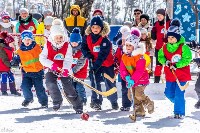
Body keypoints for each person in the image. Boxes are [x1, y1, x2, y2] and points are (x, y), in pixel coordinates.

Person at [39, 19, 83, 113]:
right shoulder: (48, 44)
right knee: (49, 82)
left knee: (68, 87)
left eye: (61, 37)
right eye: (57, 37)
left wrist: (66, 69)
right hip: (52, 68)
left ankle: (78, 105)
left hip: (64, 69)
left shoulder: (67, 45)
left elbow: (68, 59)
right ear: (52, 37)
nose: (59, 39)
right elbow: (42, 58)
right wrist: (51, 65)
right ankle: (57, 101)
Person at [81, 16, 118, 110]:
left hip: (106, 64)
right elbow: (83, 47)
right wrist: (87, 55)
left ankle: (113, 101)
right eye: (93, 27)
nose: (95, 29)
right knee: (95, 82)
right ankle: (96, 101)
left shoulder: (105, 40)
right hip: (94, 63)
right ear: (90, 28)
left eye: (97, 27)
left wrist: (95, 65)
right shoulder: (87, 37)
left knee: (110, 82)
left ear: (101, 28)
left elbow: (102, 55)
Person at [158, 19, 192, 119]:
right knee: (168, 93)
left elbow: (187, 59)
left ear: (177, 37)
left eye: (173, 37)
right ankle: (179, 103)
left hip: (181, 75)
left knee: (179, 94)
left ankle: (179, 112)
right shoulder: (164, 47)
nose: (171, 39)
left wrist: (177, 65)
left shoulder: (184, 47)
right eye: (169, 37)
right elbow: (160, 57)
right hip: (170, 75)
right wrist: (166, 62)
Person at [120, 28, 154, 119]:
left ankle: (148, 103)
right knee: (131, 96)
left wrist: (132, 79)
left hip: (141, 78)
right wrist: (126, 77)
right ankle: (139, 111)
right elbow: (122, 69)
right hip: (131, 79)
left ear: (134, 46)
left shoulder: (140, 57)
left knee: (138, 94)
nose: (127, 47)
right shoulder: (124, 56)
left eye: (130, 45)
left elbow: (140, 70)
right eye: (126, 45)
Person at [15, 30, 48, 107]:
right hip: (27, 73)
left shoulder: (38, 47)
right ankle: (28, 98)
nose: (27, 41)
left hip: (38, 72)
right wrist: (15, 61)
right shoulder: (20, 50)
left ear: (32, 39)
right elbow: (17, 58)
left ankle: (43, 102)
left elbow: (44, 54)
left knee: (39, 89)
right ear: (22, 40)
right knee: (24, 87)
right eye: (25, 39)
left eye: (29, 39)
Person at [114, 25, 131, 111]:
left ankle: (137, 104)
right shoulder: (120, 49)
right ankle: (126, 104)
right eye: (123, 40)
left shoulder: (132, 49)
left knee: (133, 89)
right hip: (123, 72)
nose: (124, 42)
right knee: (124, 88)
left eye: (126, 40)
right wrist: (116, 64)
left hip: (132, 71)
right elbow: (116, 58)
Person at [151, 9, 171, 83]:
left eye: (160, 15)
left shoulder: (169, 23)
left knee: (168, 64)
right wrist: (153, 33)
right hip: (159, 48)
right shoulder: (156, 23)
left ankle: (169, 80)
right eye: (157, 15)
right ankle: (156, 81)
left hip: (168, 48)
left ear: (164, 15)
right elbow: (154, 36)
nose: (158, 17)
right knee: (158, 65)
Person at [70, 27, 88, 105]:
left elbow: (81, 63)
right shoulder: (68, 50)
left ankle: (82, 100)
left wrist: (73, 70)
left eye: (76, 42)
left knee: (79, 88)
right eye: (72, 42)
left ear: (79, 41)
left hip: (80, 73)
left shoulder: (82, 51)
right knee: (72, 88)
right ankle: (75, 101)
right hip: (71, 73)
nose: (74, 43)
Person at [0, 31, 21, 96]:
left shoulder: (10, 49)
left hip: (8, 66)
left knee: (11, 78)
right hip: (3, 66)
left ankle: (13, 90)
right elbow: (4, 59)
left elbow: (11, 57)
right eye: (12, 43)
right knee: (4, 78)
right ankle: (4, 91)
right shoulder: (2, 48)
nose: (13, 44)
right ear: (7, 42)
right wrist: (10, 65)